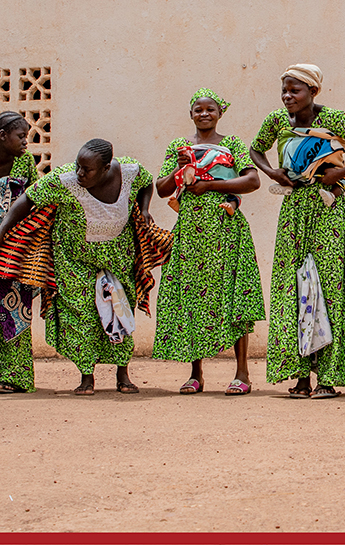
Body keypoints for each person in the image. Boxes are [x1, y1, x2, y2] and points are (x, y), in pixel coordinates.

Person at [250, 64, 345, 398]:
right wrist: (271, 172)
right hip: (294, 209)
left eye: (294, 90)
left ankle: (327, 376)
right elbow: (255, 149)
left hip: (328, 209)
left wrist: (340, 174)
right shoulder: (277, 122)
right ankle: (300, 377)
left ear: (314, 92)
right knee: (295, 286)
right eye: (284, 90)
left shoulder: (334, 119)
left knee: (329, 285)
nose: (287, 97)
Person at [0, 139, 157, 395]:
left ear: (107, 168)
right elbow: (27, 200)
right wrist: (3, 229)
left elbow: (147, 183)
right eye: (78, 166)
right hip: (74, 259)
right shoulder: (64, 180)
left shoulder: (130, 171)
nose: (80, 173)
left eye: (87, 169)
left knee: (120, 309)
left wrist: (145, 208)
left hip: (119, 255)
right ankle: (87, 377)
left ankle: (122, 374)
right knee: (80, 313)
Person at [153, 90, 265, 395]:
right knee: (191, 301)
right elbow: (162, 190)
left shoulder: (233, 145)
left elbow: (252, 181)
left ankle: (242, 373)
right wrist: (179, 167)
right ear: (191, 114)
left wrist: (211, 185)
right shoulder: (179, 148)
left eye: (210, 109)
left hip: (227, 231)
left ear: (220, 113)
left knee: (234, 298)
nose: (204, 114)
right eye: (198, 110)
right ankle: (196, 374)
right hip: (190, 235)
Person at [0, 112, 39, 393]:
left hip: (15, 243)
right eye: (20, 136)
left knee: (16, 307)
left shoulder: (25, 162)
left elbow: (34, 197)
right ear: (2, 136)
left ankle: (16, 377)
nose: (26, 142)